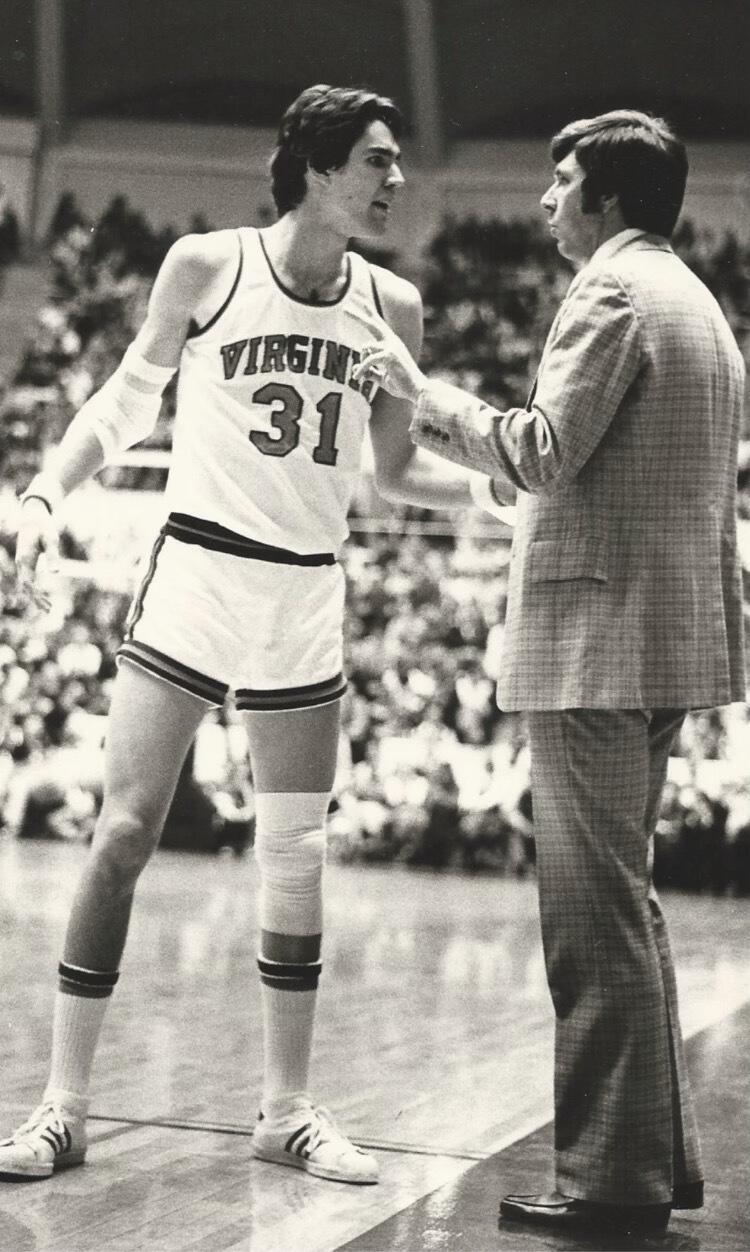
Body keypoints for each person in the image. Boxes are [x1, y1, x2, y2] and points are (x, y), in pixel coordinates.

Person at [1, 83, 498, 1187]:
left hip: (304, 590)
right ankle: (62, 1106)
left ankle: (284, 1110)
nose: (396, 179)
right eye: (376, 159)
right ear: (318, 168)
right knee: (123, 831)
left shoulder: (395, 307)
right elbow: (126, 402)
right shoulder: (207, 266)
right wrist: (42, 494)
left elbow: (397, 470)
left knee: (296, 854)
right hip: (198, 569)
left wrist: (483, 501)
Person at [354, 110, 746, 1233]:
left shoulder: (614, 295)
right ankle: (656, 1162)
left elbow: (539, 451)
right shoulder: (697, 301)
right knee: (630, 907)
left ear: (607, 199)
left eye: (560, 181)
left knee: (593, 920)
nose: (543, 200)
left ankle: (612, 1180)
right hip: (663, 635)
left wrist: (416, 393)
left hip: (594, 643)